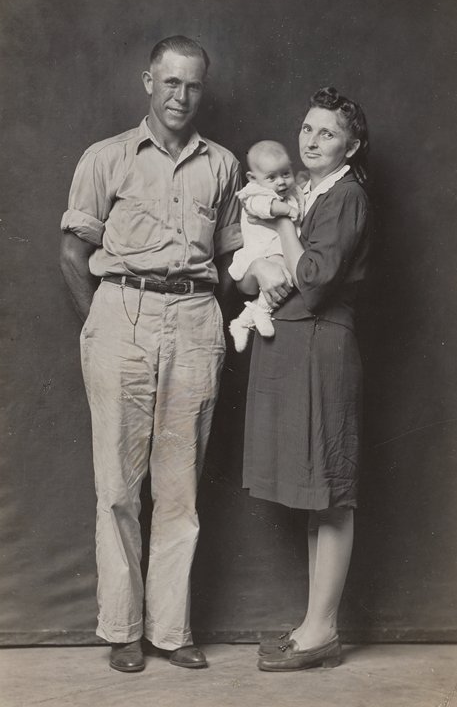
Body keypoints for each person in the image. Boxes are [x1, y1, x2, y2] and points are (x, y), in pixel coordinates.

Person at [59, 36, 242, 673]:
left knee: (180, 487)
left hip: (196, 317)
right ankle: (123, 630)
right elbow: (73, 250)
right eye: (170, 83)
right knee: (116, 485)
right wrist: (100, 325)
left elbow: (235, 258)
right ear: (148, 82)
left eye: (192, 86)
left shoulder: (223, 164)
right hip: (121, 315)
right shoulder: (106, 157)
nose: (180, 97)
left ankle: (170, 629)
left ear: (202, 90)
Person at [238, 86, 371, 672]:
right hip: (299, 348)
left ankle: (322, 631)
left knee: (332, 495)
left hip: (324, 346)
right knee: (316, 493)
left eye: (328, 133)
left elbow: (312, 281)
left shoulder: (344, 195)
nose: (312, 140)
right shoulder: (313, 190)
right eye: (308, 129)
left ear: (352, 145)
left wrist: (287, 222)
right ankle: (314, 624)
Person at [228, 141, 305, 352]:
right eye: (272, 177)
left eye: (286, 173)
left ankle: (243, 321)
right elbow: (263, 208)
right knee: (285, 279)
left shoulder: (287, 191)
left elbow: (298, 195)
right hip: (262, 251)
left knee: (285, 279)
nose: (281, 182)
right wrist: (287, 211)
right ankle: (261, 312)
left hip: (277, 250)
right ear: (253, 178)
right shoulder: (254, 193)